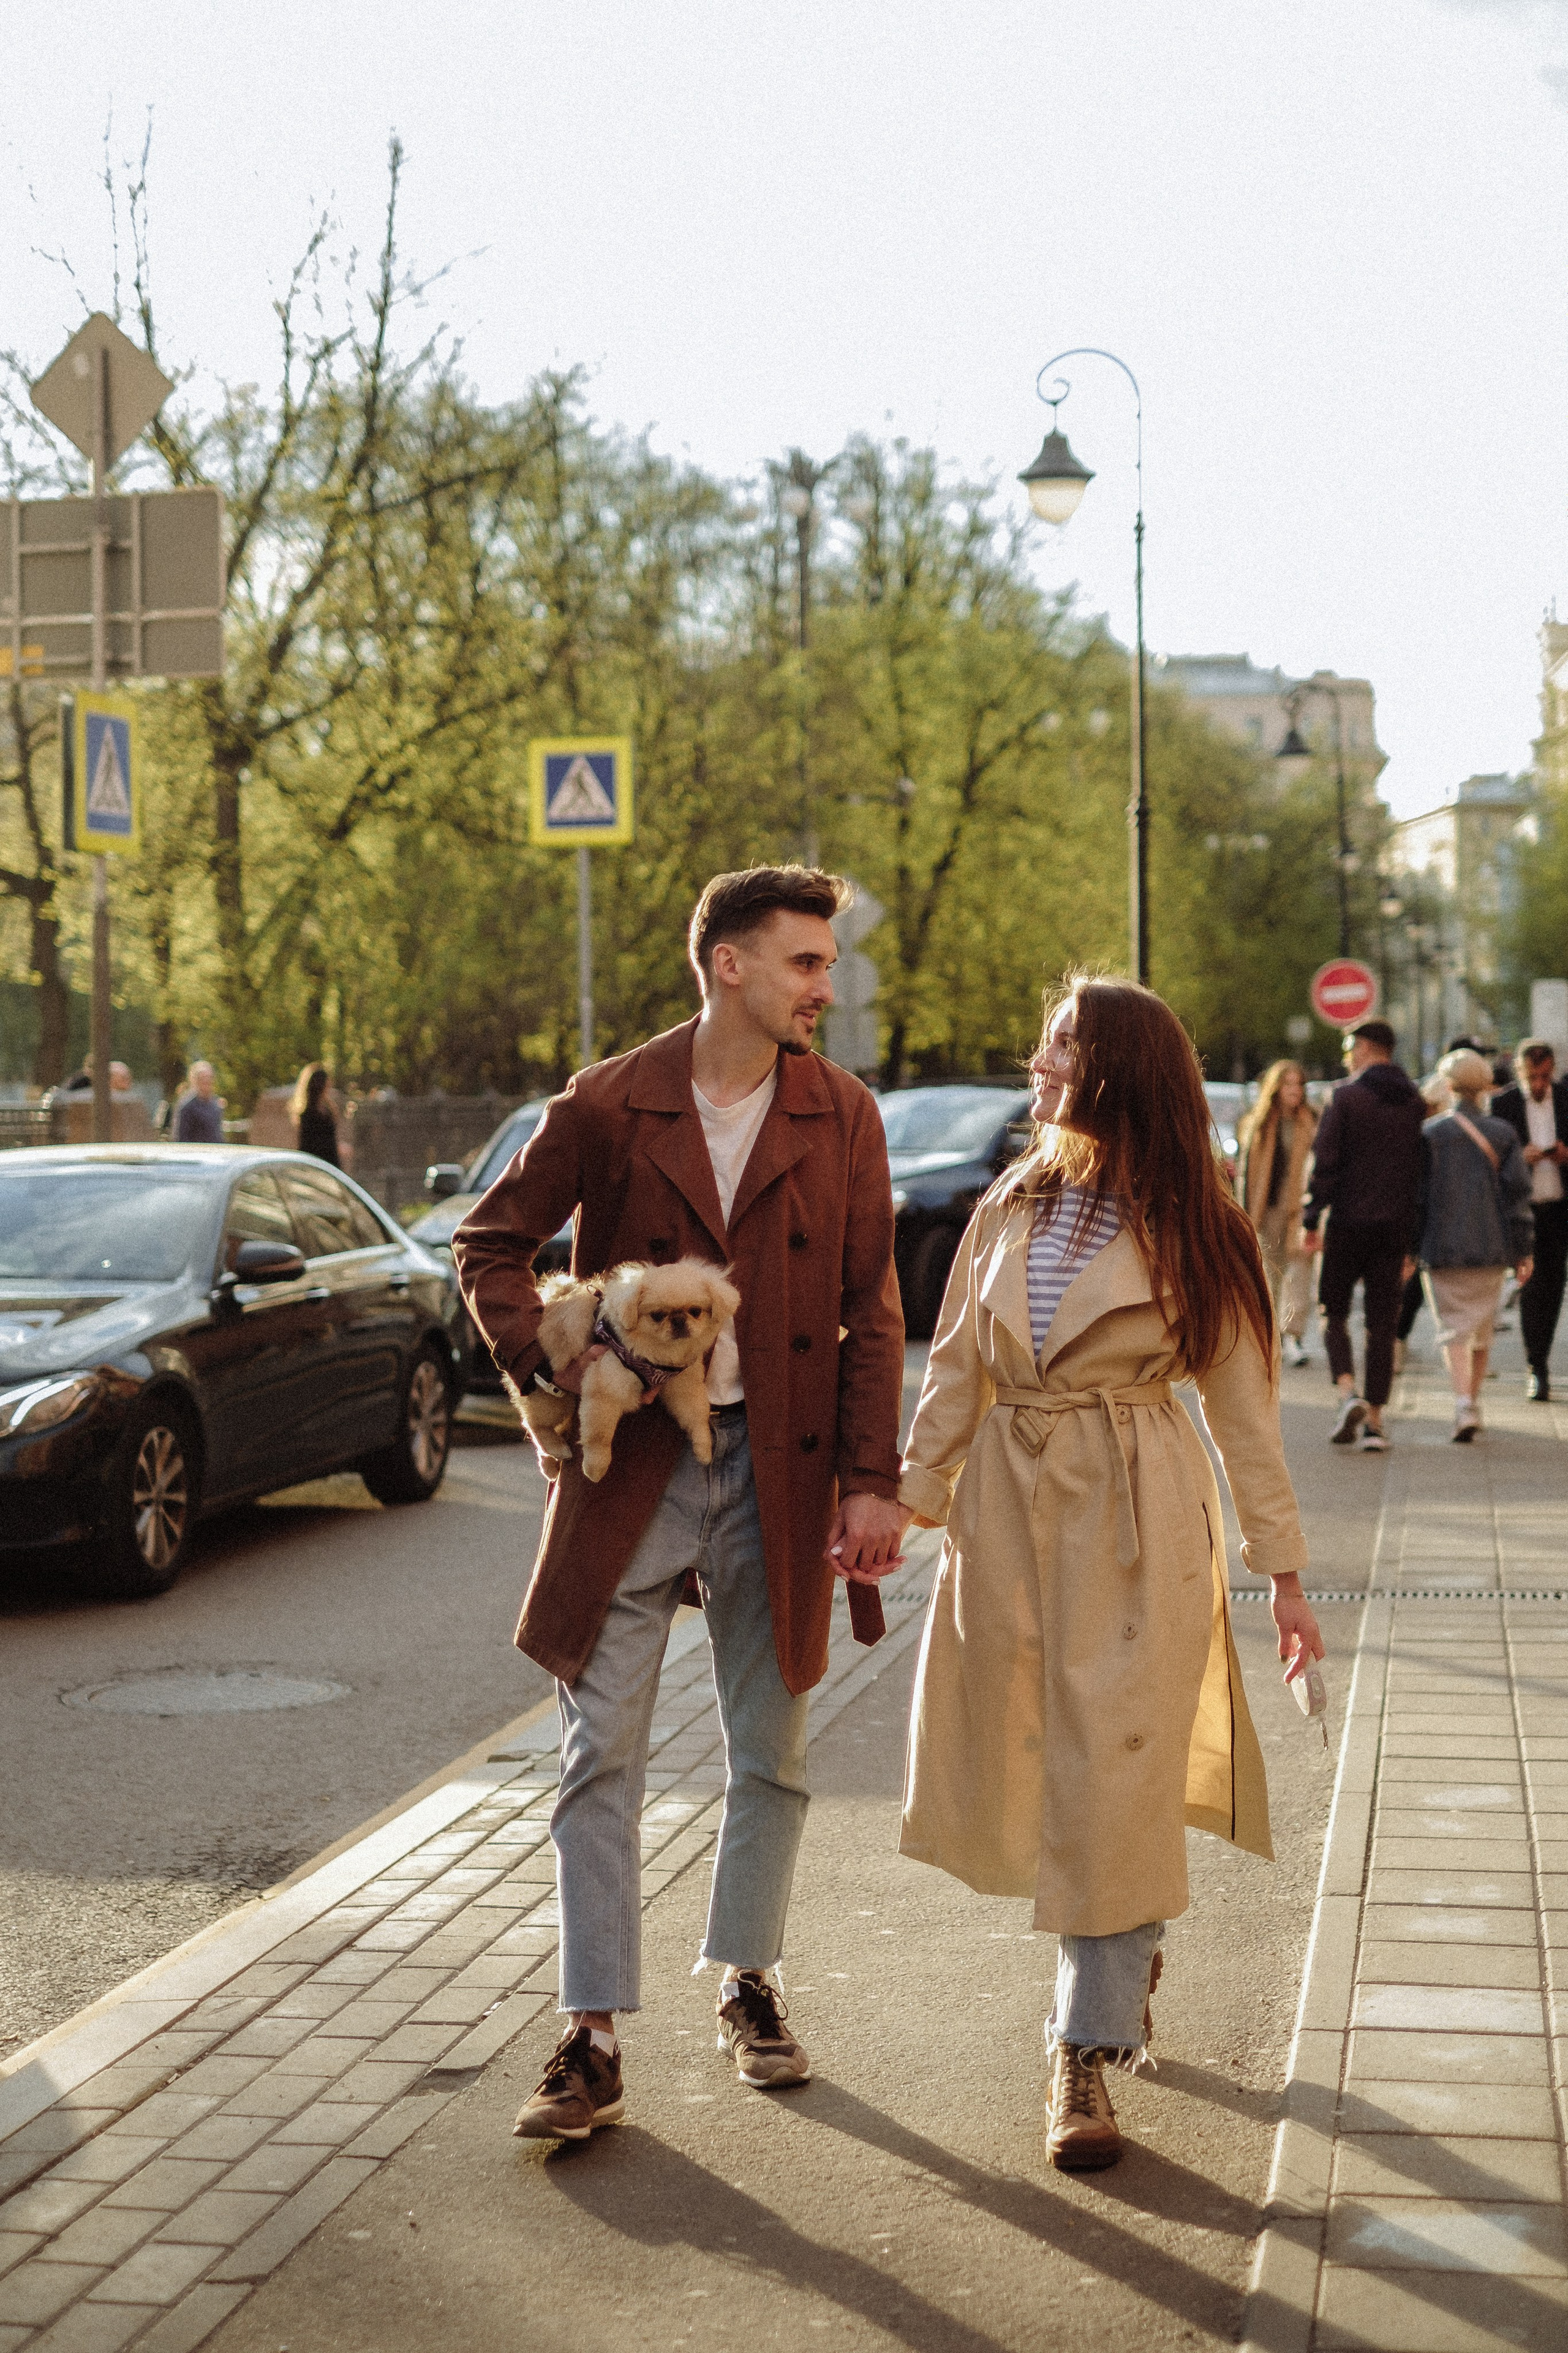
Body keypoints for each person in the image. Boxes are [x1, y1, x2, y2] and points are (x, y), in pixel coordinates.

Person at [453, 866, 906, 2143]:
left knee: (773, 1750)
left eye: (826, 963)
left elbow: (871, 1308)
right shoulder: (610, 1100)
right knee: (598, 1752)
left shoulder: (843, 1111)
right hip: (632, 1473)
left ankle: (745, 1976)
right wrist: (551, 1354)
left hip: (783, 1465)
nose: (826, 984)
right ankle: (590, 2035)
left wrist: (871, 1479)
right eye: (805, 963)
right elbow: (489, 1242)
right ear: (730, 967)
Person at [889, 976, 1321, 2173]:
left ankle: (1076, 2058)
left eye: (1062, 1042)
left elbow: (1243, 1416)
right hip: (1010, 1517)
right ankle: (1122, 1957)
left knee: (1112, 1774)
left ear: (1116, 1069)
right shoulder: (1011, 1198)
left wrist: (1281, 1577)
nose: (1037, 1057)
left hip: (1136, 1509)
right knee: (1036, 1762)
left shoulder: (1198, 1219)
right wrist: (905, 1502)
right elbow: (957, 1372)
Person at [1298, 1019, 1426, 1452]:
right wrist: (1415, 1240)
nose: (1346, 1054)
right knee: (1382, 1322)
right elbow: (1419, 1174)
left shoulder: (1346, 1096)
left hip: (1349, 1222)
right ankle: (1375, 1420)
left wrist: (1312, 1217)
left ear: (1369, 1047)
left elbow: (1326, 1162)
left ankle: (1347, 1391)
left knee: (1332, 1309)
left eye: (1350, 1046)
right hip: (1395, 1227)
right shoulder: (1414, 1101)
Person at [1418, 1049, 1535, 1441]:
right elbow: (1517, 1196)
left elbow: (1418, 1196)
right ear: (1485, 1087)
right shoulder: (1503, 1134)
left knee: (1452, 1331)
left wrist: (1410, 1248)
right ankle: (1473, 1400)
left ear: (1448, 1086)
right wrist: (1523, 1249)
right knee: (1482, 1331)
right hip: (1491, 1247)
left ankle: (1462, 1402)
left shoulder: (1431, 1135)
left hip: (1442, 1247)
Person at [1491, 1038, 1568, 1402]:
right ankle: (1536, 1366)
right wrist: (1520, 1158)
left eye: (1545, 1077)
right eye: (1532, 1077)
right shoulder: (1503, 1104)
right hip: (1523, 1210)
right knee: (1531, 1284)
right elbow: (1493, 1161)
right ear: (1520, 1073)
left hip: (1559, 1207)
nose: (1540, 1084)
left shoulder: (1566, 1098)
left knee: (1555, 1284)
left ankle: (1541, 1358)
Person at [1235, 1060, 1317, 1368]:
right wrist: (1243, 1214)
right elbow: (1245, 1172)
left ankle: (1293, 1336)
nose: (1295, 1090)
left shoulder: (1311, 1122)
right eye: (1288, 1084)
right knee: (1270, 1274)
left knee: (1299, 1273)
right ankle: (1271, 1336)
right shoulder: (1258, 1123)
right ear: (1275, 1088)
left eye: (1299, 1084)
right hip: (1265, 1209)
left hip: (1299, 1210)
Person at [292, 1062, 341, 1165]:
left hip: (330, 1162)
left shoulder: (327, 1109)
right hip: (317, 1162)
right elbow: (309, 1145)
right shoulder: (308, 1115)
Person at [172, 1061, 225, 1143]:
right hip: (196, 1153)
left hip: (215, 1152)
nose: (207, 1082)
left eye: (209, 1078)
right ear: (195, 1081)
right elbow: (181, 1138)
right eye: (203, 1079)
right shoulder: (187, 1106)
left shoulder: (215, 1103)